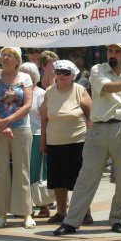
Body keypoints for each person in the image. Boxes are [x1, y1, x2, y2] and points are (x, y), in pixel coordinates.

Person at [53, 43, 121, 236]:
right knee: (86, 177)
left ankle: (118, 219)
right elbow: (106, 88)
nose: (112, 54)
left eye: (117, 51)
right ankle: (72, 221)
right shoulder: (98, 69)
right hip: (98, 128)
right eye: (110, 51)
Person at [0, 46, 35, 229]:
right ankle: (1, 214)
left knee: (23, 170)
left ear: (17, 60)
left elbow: (28, 105)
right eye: (3, 55)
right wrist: (1, 124)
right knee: (0, 170)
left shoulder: (25, 78)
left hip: (21, 128)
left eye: (9, 55)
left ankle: (26, 213)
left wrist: (9, 121)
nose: (5, 58)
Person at [40, 60, 92, 224]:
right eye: (59, 72)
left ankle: (85, 213)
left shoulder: (80, 90)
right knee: (58, 180)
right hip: (54, 142)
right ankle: (61, 212)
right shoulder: (49, 91)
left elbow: (91, 117)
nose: (61, 75)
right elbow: (44, 119)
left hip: (78, 142)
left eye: (66, 73)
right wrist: (43, 141)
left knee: (80, 180)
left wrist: (91, 141)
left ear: (73, 75)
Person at [19, 62, 50, 218]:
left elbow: (46, 118)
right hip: (21, 134)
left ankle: (43, 205)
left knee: (37, 172)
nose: (25, 75)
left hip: (37, 135)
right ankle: (25, 206)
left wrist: (44, 140)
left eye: (28, 73)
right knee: (23, 171)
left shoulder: (41, 93)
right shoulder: (18, 92)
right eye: (22, 72)